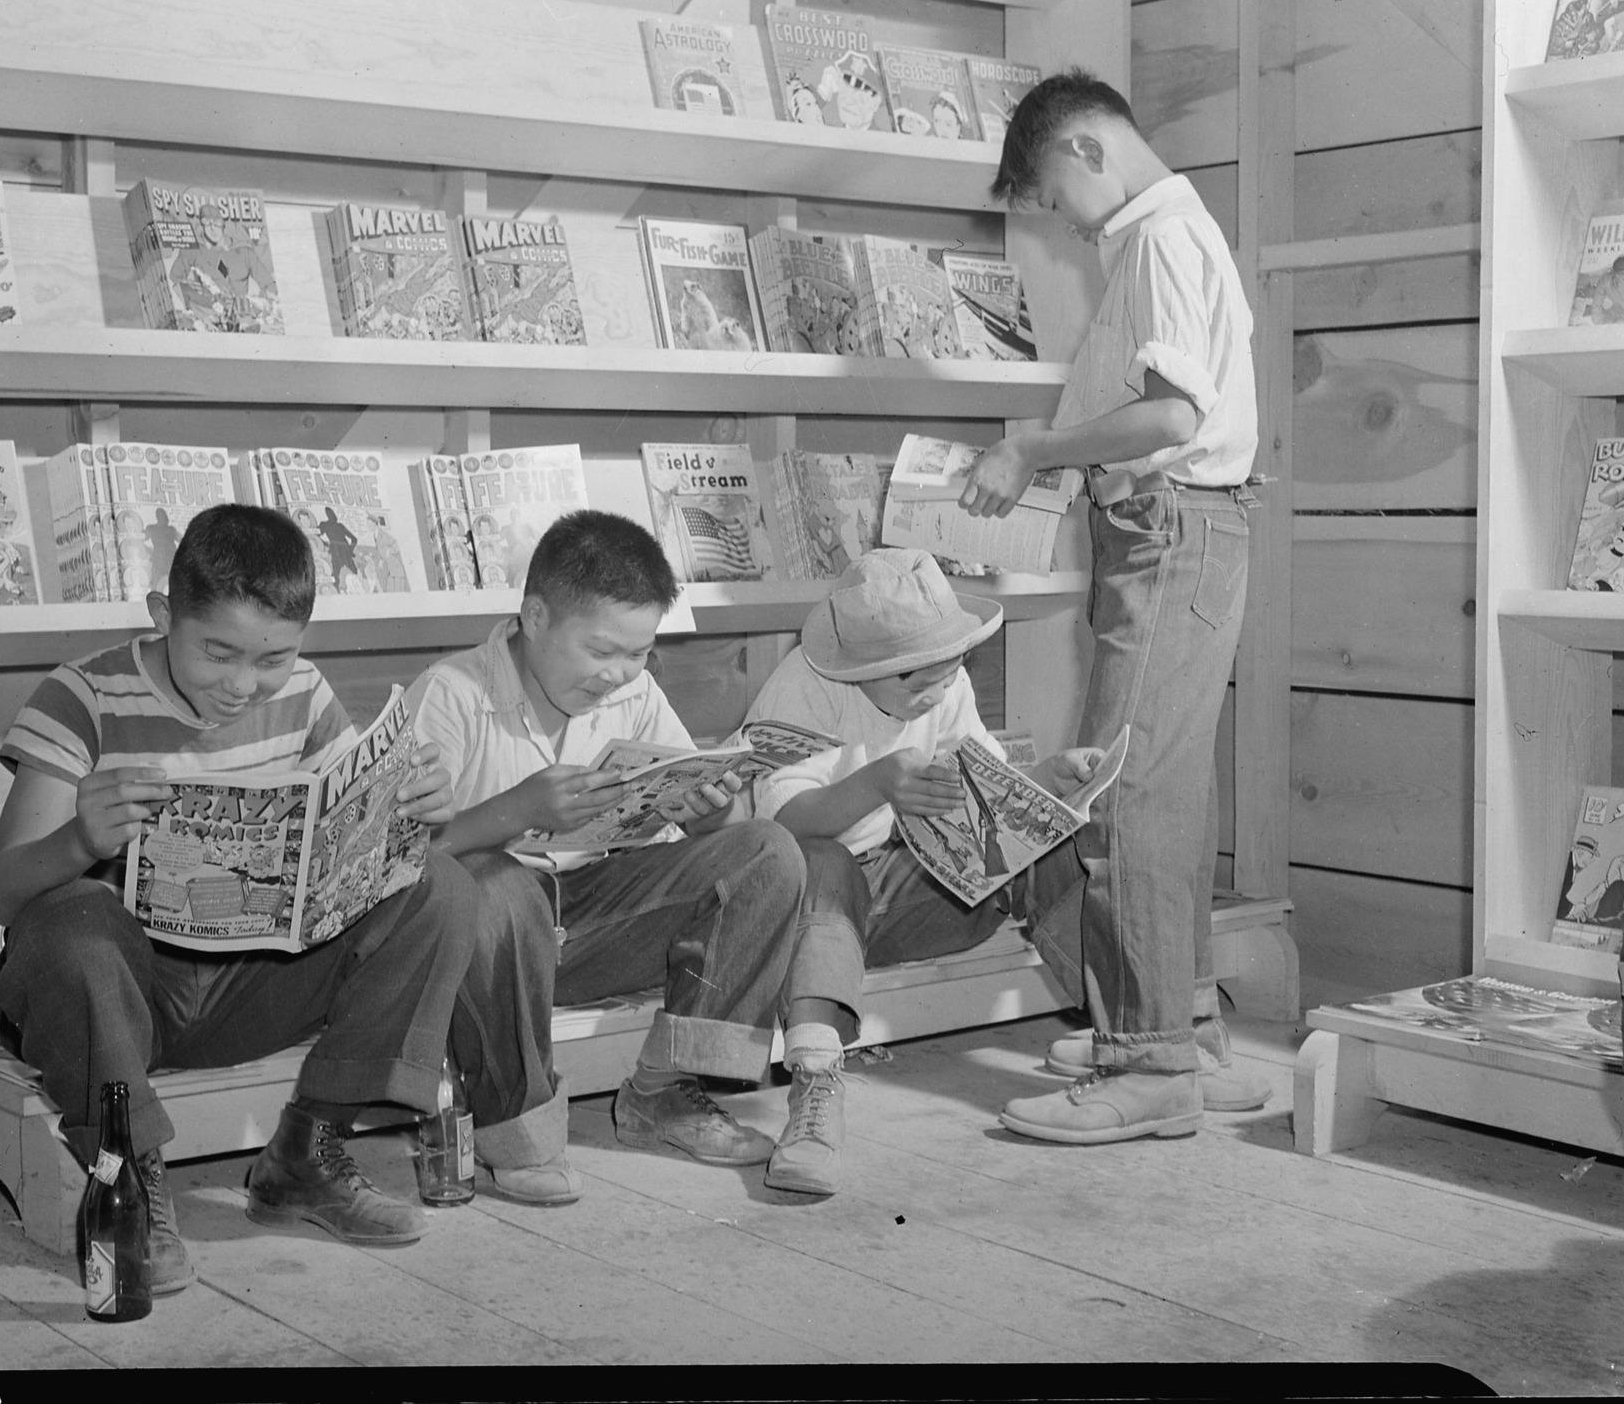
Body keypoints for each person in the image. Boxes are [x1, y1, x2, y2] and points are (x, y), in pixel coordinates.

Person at [0, 504, 577, 1297]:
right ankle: (133, 1178)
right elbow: (4, 892)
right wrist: (79, 841)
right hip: (123, 1003)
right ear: (163, 614)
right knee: (71, 921)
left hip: (254, 983)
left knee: (437, 883)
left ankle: (309, 1148)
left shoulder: (303, 691)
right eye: (218, 652)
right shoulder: (81, 696)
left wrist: (414, 810)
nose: (243, 684)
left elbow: (359, 844)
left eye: (273, 657)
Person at [961, 68, 1270, 1143]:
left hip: (1168, 524)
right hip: (1174, 526)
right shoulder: (1155, 236)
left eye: (1052, 194)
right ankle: (1182, 1031)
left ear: (1087, 148)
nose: (1059, 219)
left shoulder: (1160, 238)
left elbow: (1171, 415)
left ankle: (1148, 1062)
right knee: (1164, 787)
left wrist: (1035, 448)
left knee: (1123, 786)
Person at [407, 509, 815, 1186]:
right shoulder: (452, 694)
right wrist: (517, 812)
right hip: (485, 951)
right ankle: (517, 1125)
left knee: (767, 850)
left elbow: (714, 821)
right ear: (535, 616)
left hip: (592, 924)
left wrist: (711, 813)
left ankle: (666, 1090)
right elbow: (400, 863)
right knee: (493, 880)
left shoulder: (635, 692)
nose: (619, 673)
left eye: (638, 652)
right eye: (601, 651)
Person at [743, 547, 1107, 1189]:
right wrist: (878, 783)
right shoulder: (804, 686)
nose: (936, 693)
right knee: (822, 860)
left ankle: (1128, 1036)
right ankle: (815, 1091)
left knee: (1044, 841)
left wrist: (1046, 780)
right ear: (860, 668)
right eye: (915, 683)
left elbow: (987, 787)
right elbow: (782, 829)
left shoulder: (943, 681)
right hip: (808, 917)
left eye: (951, 671)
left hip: (903, 895)